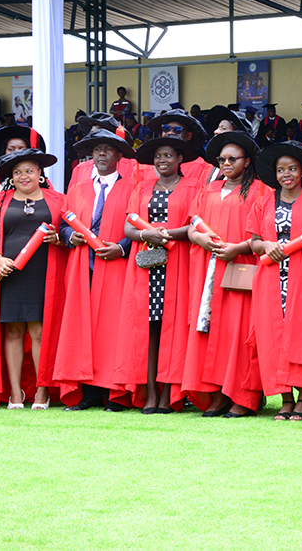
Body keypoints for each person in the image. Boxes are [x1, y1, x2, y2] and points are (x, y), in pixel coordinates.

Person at [0, 148, 66, 409]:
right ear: (11, 177)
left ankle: (41, 392)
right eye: (17, 172)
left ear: (39, 173)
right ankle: (15, 394)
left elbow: (69, 232)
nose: (23, 176)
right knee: (12, 331)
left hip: (44, 273)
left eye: (28, 171)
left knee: (39, 332)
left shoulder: (58, 200)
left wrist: (58, 239)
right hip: (9, 273)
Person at [182, 131, 266, 418]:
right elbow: (193, 223)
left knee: (239, 331)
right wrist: (198, 238)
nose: (226, 163)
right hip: (209, 269)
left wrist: (238, 247)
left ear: (247, 160)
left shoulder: (259, 190)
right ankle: (215, 394)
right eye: (222, 159)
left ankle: (241, 395)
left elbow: (262, 232)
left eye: (233, 159)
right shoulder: (208, 189)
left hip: (241, 267)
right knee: (209, 329)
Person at [115, 137, 200, 413]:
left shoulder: (193, 187)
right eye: (158, 157)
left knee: (171, 328)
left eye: (168, 156)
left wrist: (162, 235)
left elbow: (193, 228)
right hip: (146, 267)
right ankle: (150, 391)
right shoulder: (142, 188)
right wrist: (145, 234)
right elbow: (128, 228)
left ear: (179, 159)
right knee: (149, 328)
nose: (162, 161)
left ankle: (169, 393)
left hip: (177, 265)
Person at [53, 130, 137, 411]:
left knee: (112, 329)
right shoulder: (77, 190)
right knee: (83, 328)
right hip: (82, 267)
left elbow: (137, 226)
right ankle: (86, 393)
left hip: (116, 267)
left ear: (118, 156)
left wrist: (122, 248)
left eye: (108, 149)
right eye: (97, 149)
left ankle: (113, 393)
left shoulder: (132, 188)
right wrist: (69, 237)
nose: (101, 154)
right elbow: (63, 224)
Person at [248, 140, 302, 421]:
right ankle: (284, 398)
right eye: (281, 170)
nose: (286, 174)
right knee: (273, 337)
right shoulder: (264, 202)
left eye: (292, 168)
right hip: (271, 278)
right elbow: (253, 240)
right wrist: (267, 245)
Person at [147, 108, 212, 184]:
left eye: (177, 130)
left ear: (189, 136)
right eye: (166, 128)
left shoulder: (203, 168)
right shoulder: (144, 166)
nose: (170, 133)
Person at [0, 125, 46, 194]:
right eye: (11, 149)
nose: (16, 153)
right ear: (4, 152)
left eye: (22, 149)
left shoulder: (40, 180)